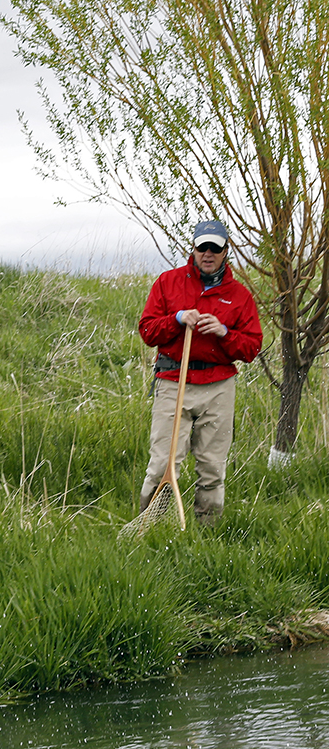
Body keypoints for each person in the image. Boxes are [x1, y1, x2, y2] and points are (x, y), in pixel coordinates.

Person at [138, 220, 263, 525]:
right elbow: (147, 331)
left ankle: (208, 534)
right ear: (192, 248)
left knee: (212, 467)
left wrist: (224, 333)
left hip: (219, 385)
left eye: (215, 248)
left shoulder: (240, 296)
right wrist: (177, 318)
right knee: (162, 464)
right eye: (202, 247)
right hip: (172, 381)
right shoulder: (168, 283)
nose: (208, 253)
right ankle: (149, 529)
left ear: (225, 251)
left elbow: (251, 347)